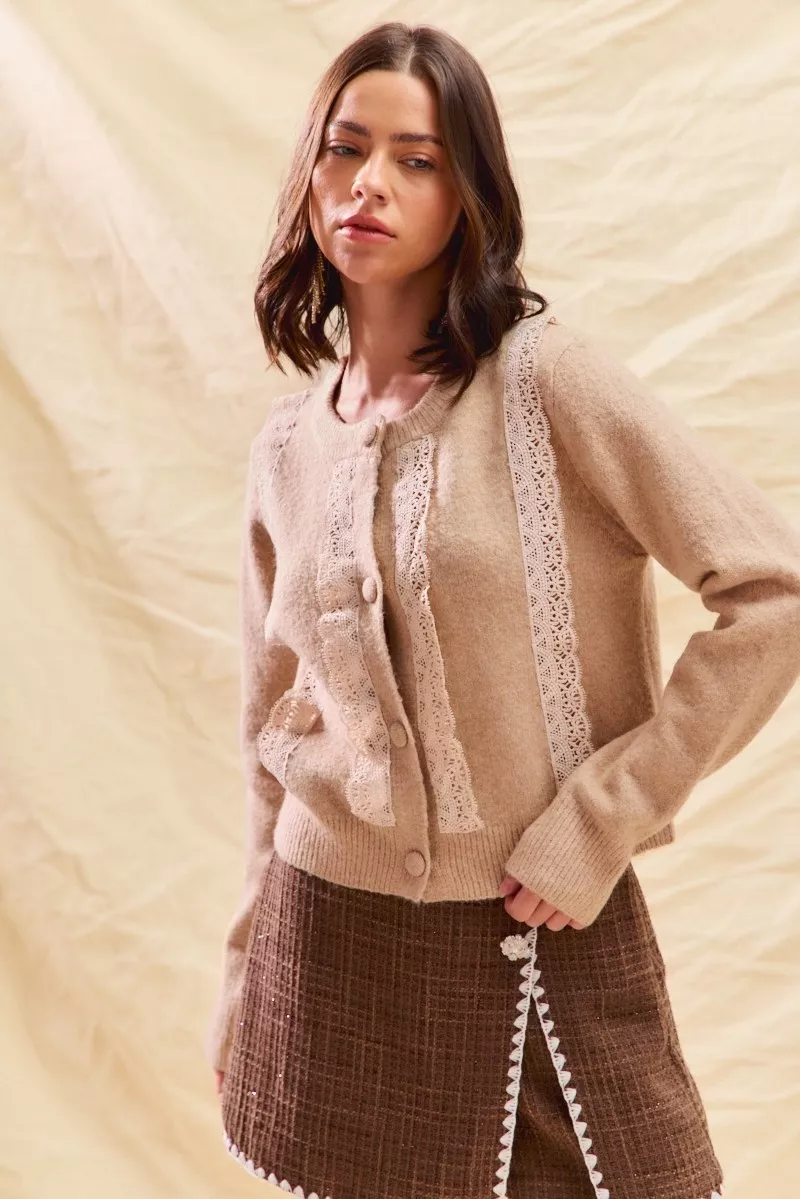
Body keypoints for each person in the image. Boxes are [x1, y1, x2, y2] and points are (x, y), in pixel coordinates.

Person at [205, 20, 800, 1199]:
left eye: (416, 159)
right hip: (323, 944)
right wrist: (239, 966)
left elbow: (770, 594)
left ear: (466, 194)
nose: (368, 183)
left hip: (535, 928)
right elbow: (266, 737)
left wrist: (599, 819)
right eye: (344, 148)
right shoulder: (287, 447)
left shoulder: (544, 383)